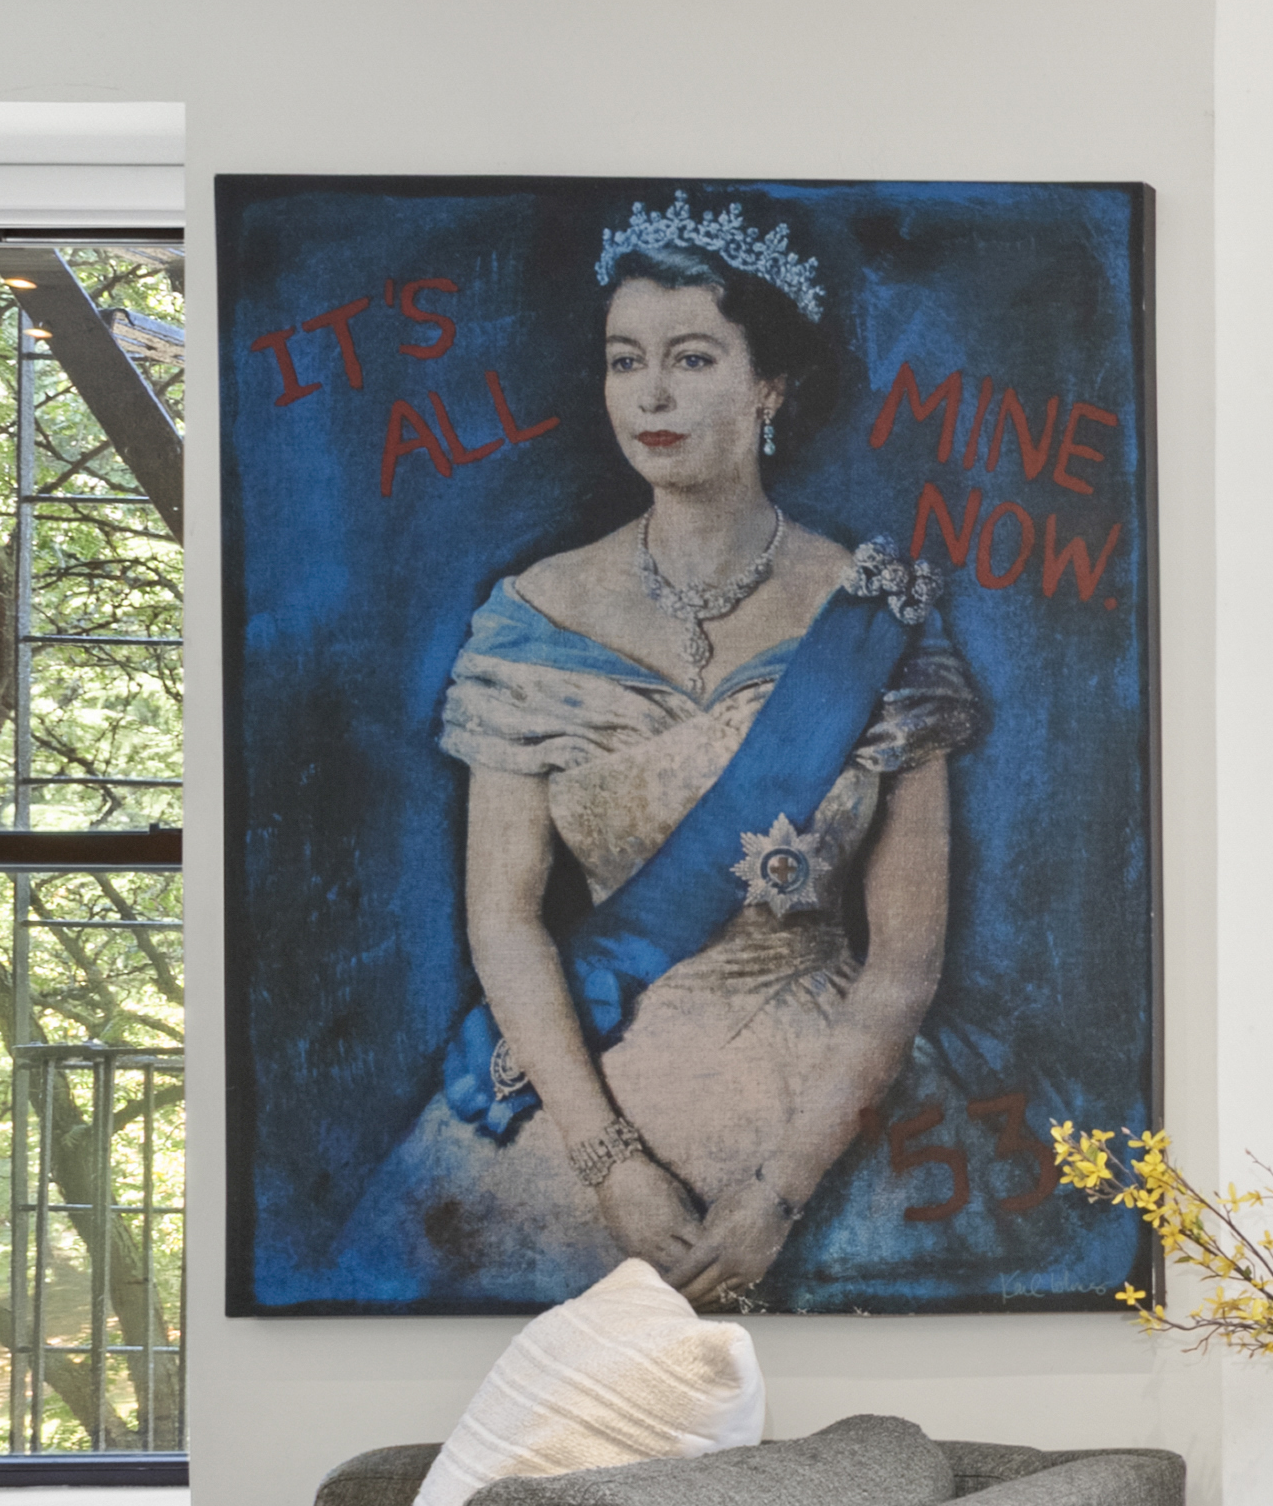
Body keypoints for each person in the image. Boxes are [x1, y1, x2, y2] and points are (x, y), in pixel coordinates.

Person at [330, 193, 994, 1308]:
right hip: (594, 1082)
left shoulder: (873, 616)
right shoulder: (532, 616)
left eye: (692, 359)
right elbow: (503, 919)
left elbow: (906, 959)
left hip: (828, 1089)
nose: (651, 395)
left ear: (770, 386)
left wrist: (778, 1194)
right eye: (624, 360)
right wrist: (609, 1170)